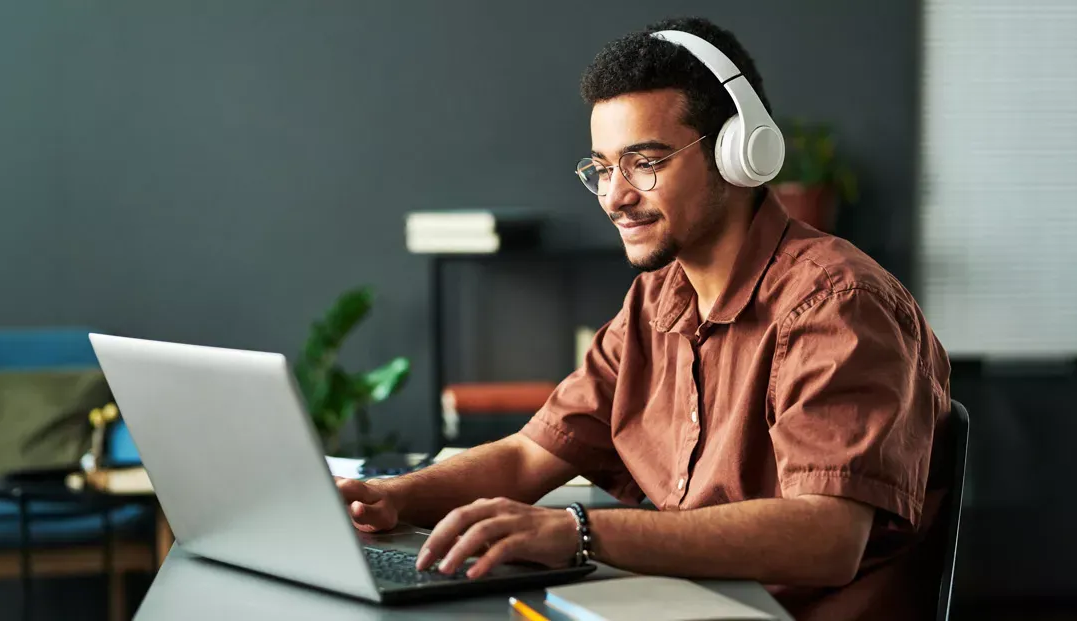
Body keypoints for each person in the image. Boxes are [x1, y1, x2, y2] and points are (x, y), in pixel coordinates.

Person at [336, 16, 952, 621]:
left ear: (740, 154)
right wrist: (388, 500)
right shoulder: (655, 301)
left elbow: (827, 534)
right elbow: (531, 456)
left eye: (645, 162)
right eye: (603, 168)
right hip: (677, 604)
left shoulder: (837, 302)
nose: (615, 195)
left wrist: (578, 533)